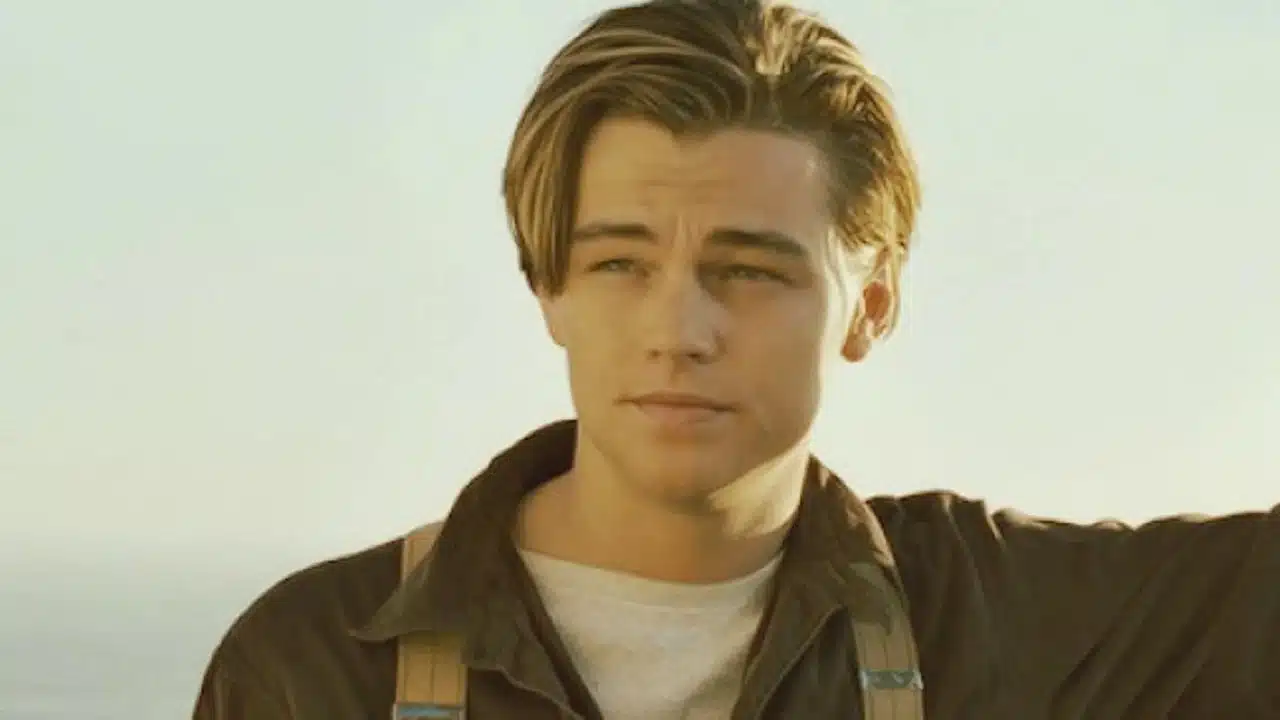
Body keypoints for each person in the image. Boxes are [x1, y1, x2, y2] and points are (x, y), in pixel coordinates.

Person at [192, 1, 1279, 718]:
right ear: (547, 286)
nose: (679, 328)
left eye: (750, 271)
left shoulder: (999, 623)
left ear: (872, 304)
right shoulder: (313, 668)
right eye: (619, 264)